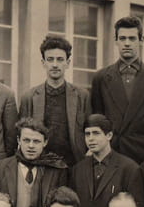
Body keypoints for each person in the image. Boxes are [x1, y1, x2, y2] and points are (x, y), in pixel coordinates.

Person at [90, 16, 144, 164]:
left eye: (132, 38)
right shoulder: (100, 78)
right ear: (116, 40)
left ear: (141, 40)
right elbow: (97, 119)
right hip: (110, 154)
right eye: (122, 38)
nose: (127, 43)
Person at [18, 35, 90, 166]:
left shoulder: (82, 96)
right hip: (40, 165)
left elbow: (90, 131)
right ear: (43, 63)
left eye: (60, 59)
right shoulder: (29, 97)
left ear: (67, 63)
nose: (55, 65)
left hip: (74, 164)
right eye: (50, 59)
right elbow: (22, 136)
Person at [69, 114, 144, 207]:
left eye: (96, 133)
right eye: (87, 134)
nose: (91, 139)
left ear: (109, 135)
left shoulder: (129, 168)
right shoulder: (78, 169)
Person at [0, 118, 68, 207]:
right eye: (26, 140)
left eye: (36, 141)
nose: (31, 146)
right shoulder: (1, 168)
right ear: (19, 140)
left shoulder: (57, 169)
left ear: (45, 142)